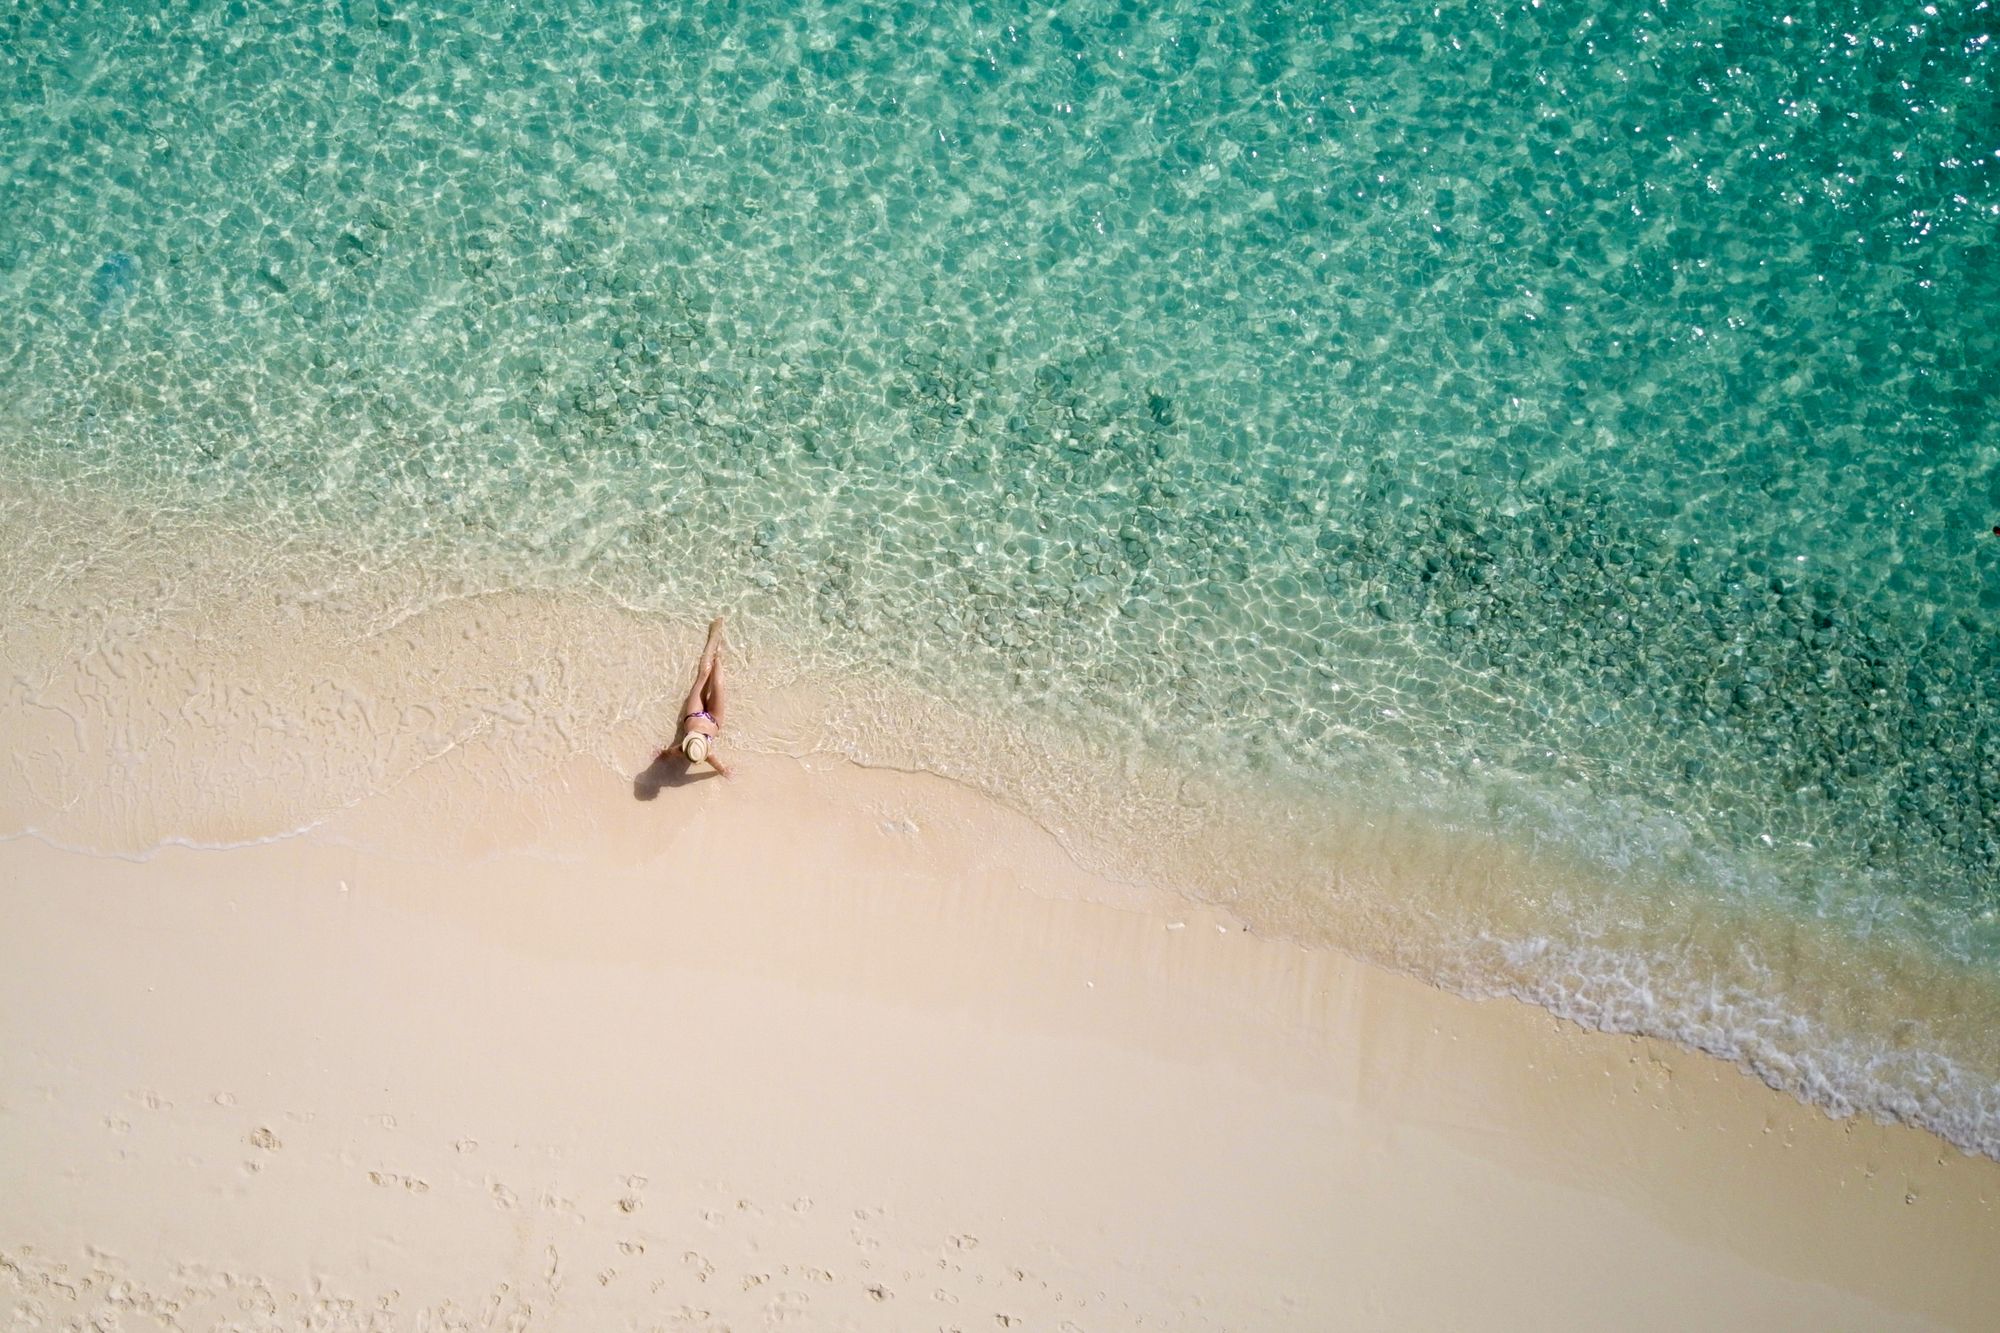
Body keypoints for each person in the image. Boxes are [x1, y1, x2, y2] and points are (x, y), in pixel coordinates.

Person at [673, 617, 732, 779]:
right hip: (706, 717)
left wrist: (660, 753)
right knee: (711, 677)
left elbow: (667, 753)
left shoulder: (690, 751)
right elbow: (721, 768)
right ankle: (717, 645)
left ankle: (716, 639)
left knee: (710, 677)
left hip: (702, 716)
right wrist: (726, 772)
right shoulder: (702, 753)